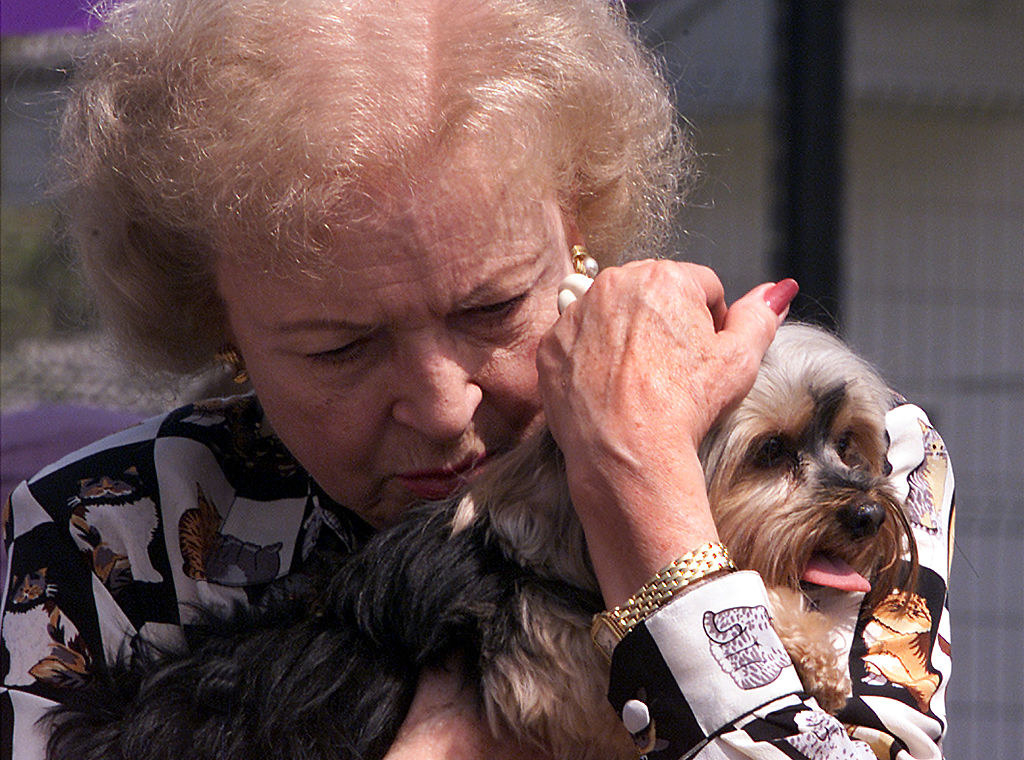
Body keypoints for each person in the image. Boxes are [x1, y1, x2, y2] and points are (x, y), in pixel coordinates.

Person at [0, 1, 953, 759]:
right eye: (340, 347)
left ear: (577, 226)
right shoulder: (109, 526)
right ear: (218, 327)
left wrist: (646, 488)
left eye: (493, 310)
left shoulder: (857, 463)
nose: (442, 403)